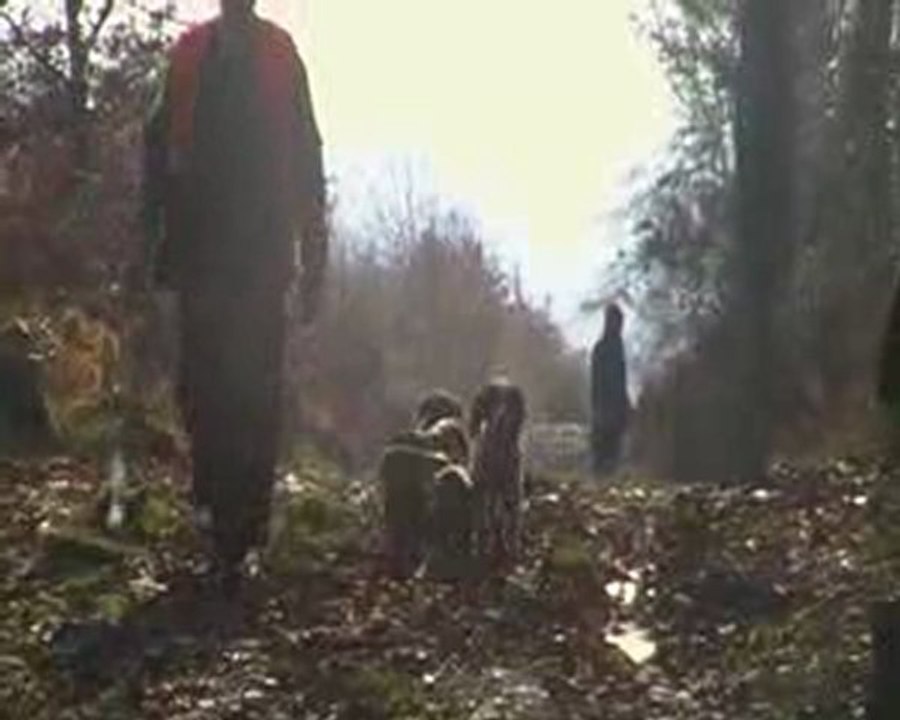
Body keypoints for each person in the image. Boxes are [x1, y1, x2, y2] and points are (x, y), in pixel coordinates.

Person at [140, 0, 326, 581]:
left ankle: (243, 527)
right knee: (201, 386)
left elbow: (306, 157)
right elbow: (156, 145)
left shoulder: (278, 54)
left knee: (254, 391)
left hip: (260, 257)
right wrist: (152, 235)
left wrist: (315, 257)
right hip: (201, 253)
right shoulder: (191, 54)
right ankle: (215, 502)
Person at [590, 303, 629, 476]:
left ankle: (606, 481)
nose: (619, 326)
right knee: (604, 451)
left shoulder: (616, 346)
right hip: (605, 405)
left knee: (612, 450)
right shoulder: (603, 347)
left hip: (614, 405)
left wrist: (624, 403)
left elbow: (621, 378)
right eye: (617, 322)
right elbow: (598, 380)